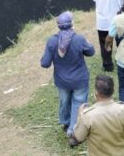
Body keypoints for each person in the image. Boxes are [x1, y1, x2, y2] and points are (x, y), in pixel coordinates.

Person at [40, 11, 95, 146]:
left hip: (62, 80)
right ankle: (73, 131)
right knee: (79, 103)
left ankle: (65, 122)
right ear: (71, 24)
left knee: (64, 101)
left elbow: (45, 63)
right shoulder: (79, 39)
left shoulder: (52, 41)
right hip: (79, 80)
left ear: (58, 25)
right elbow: (91, 52)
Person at [72, 75, 124, 156]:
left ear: (96, 93)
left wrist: (80, 116)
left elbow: (79, 137)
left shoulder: (88, 115)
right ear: (113, 91)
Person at [91, 0, 124, 72]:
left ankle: (108, 65)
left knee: (104, 43)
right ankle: (122, 62)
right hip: (118, 19)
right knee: (121, 42)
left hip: (103, 22)